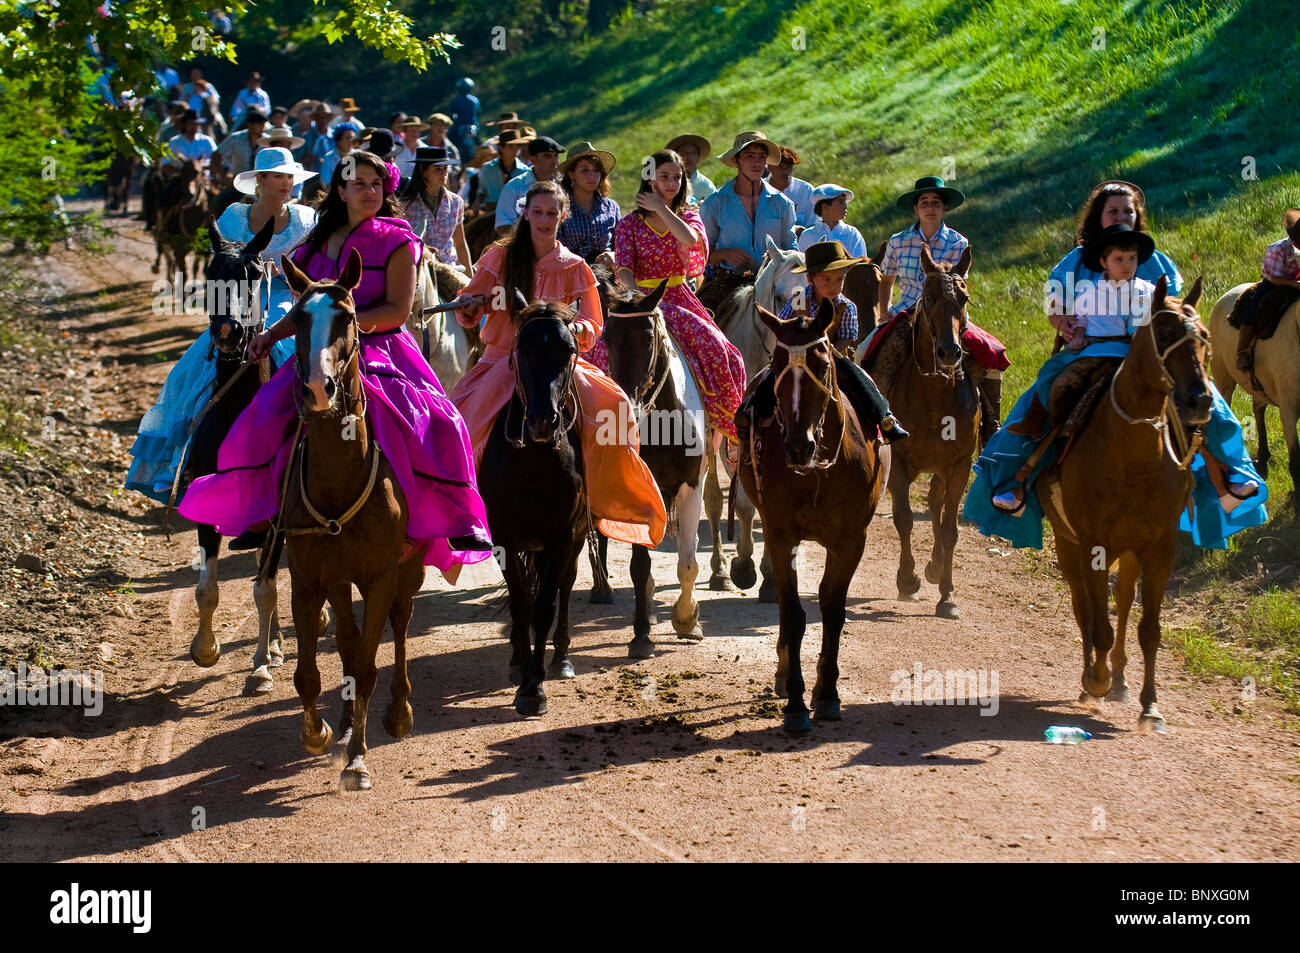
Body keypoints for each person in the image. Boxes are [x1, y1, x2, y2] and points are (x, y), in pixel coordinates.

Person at [178, 150, 494, 571]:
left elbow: (398, 311)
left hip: (379, 345)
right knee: (260, 416)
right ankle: (262, 514)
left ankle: (456, 519)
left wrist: (342, 326)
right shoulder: (314, 246)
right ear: (340, 191)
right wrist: (270, 335)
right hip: (319, 348)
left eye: (377, 184)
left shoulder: (399, 240)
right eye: (359, 183)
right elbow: (303, 308)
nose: (370, 191)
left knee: (440, 421)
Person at [966, 224, 1265, 549]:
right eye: (1118, 258)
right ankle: (1022, 476)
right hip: (1096, 354)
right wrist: (1076, 336)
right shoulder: (1090, 292)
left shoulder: (1150, 293)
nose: (1126, 264)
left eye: (1132, 258)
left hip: (1142, 359)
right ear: (1104, 261)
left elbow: (1160, 331)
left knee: (1198, 400)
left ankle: (1223, 476)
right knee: (1050, 391)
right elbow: (1078, 328)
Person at [450, 181, 667, 548]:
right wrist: (471, 305)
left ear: (562, 217)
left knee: (615, 409)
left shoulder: (575, 266)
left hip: (556, 365)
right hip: (503, 359)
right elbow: (468, 304)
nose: (545, 219)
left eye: (552, 213)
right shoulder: (498, 258)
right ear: (525, 213)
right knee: (461, 421)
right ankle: (465, 514)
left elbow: (594, 324)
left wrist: (575, 327)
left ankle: (602, 500)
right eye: (538, 212)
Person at [125, 147, 317, 505]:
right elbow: (223, 274)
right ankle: (182, 459)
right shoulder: (233, 218)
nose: (286, 183)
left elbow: (315, 266)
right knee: (187, 372)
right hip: (241, 296)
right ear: (259, 180)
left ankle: (305, 441)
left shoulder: (306, 219)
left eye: (290, 177)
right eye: (278, 176)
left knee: (292, 347)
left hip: (288, 296)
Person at [588, 149, 747, 445]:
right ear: (650, 179)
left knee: (722, 350)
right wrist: (636, 296)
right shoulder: (629, 224)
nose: (672, 183)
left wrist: (661, 208)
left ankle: (723, 427)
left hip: (679, 297)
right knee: (596, 354)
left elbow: (691, 240)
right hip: (638, 300)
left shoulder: (689, 215)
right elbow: (623, 267)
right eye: (664, 177)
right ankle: (599, 430)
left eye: (677, 177)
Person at [873, 175, 1008, 447]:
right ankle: (877, 419)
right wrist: (884, 312)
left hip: (949, 316)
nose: (930, 207)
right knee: (869, 353)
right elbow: (886, 281)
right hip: (907, 315)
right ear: (916, 208)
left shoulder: (959, 243)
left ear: (944, 208)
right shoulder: (898, 242)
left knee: (991, 355)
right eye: (924, 202)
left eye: (936, 202)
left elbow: (958, 287)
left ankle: (990, 425)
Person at [738, 240, 908, 447]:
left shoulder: (847, 306)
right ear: (810, 278)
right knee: (770, 376)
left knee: (859, 379)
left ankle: (884, 417)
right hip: (796, 356)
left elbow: (847, 337)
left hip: (830, 357)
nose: (834, 285)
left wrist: (829, 349)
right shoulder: (799, 299)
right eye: (826, 279)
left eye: (839, 279)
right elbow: (783, 324)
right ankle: (751, 413)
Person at [697, 130, 796, 318]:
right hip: (725, 284)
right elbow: (699, 254)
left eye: (761, 157)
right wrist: (724, 254)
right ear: (736, 161)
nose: (757, 162)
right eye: (750, 156)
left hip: (773, 285)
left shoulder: (783, 204)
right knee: (700, 331)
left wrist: (780, 255)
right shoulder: (715, 203)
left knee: (804, 324)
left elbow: (792, 248)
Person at [1233, 206, 1300, 371]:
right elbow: (1275, 278)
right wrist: (1294, 285)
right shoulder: (1277, 249)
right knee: (1253, 307)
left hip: (1297, 282)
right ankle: (1242, 352)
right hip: (1274, 283)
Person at [400, 147, 471, 273]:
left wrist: (471, 279)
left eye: (445, 169)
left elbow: (460, 243)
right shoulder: (406, 205)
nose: (443, 174)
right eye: (437, 169)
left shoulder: (456, 202)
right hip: (419, 270)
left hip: (450, 267)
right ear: (424, 172)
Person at [556, 141, 620, 265]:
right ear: (571, 174)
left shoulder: (611, 207)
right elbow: (554, 247)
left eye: (596, 170)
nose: (592, 176)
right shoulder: (559, 206)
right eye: (585, 170)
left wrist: (614, 254)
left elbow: (622, 245)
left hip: (607, 275)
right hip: (570, 273)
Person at [496, 136, 564, 234]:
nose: (555, 161)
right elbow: (503, 225)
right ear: (533, 160)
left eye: (556, 155)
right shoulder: (514, 187)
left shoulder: (565, 185)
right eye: (547, 156)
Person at [798, 184, 867, 257]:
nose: (846, 206)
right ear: (824, 206)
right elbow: (801, 264)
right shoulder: (807, 236)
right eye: (841, 202)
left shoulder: (852, 234)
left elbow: (860, 264)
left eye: (845, 202)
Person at [475, 128, 531, 214]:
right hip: (491, 213)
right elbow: (481, 192)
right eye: (511, 146)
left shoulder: (525, 171)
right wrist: (477, 204)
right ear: (500, 147)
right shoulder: (487, 168)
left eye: (518, 145)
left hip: (516, 214)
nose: (516, 149)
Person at [768, 146, 817, 228]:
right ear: (769, 166)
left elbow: (813, 225)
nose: (784, 168)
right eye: (780, 164)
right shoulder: (758, 188)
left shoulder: (806, 191)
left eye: (789, 163)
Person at [666, 134, 715, 204]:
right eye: (684, 152)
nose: (689, 156)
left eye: (693, 152)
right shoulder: (668, 182)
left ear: (698, 157)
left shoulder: (706, 186)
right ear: (676, 157)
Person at [317, 120, 361, 189]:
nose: (351, 141)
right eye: (348, 138)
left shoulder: (359, 155)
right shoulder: (329, 157)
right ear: (338, 140)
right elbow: (326, 182)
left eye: (352, 138)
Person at [423, 112, 461, 189]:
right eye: (437, 125)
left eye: (444, 126)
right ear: (430, 126)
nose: (441, 128)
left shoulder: (451, 149)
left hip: (444, 184)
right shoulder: (421, 144)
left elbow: (456, 168)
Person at [448, 77, 480, 165]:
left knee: (449, 139)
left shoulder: (455, 101)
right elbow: (476, 115)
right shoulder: (475, 100)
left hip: (459, 126)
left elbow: (453, 116)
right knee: (478, 142)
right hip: (473, 127)